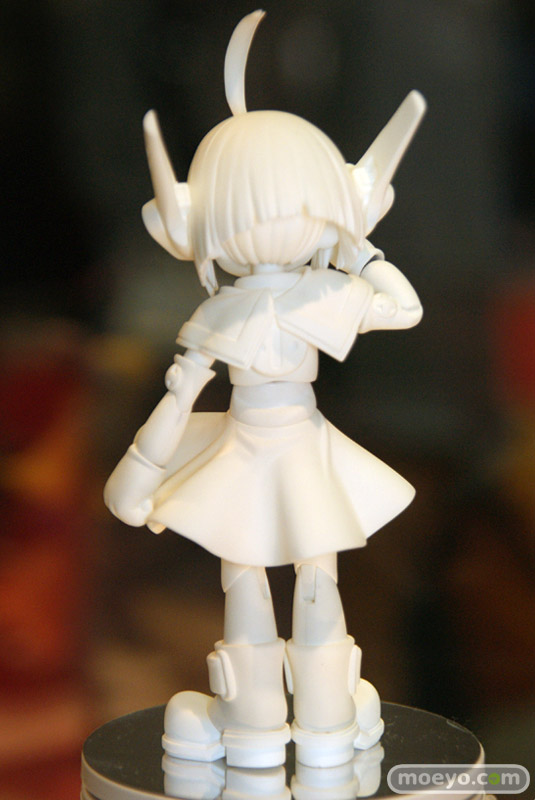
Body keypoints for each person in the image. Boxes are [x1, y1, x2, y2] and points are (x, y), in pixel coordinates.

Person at [104, 10, 425, 769]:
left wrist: (140, 472)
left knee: (253, 568)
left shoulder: (230, 309)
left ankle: (264, 722)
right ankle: (320, 718)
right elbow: (404, 307)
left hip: (257, 443)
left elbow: (180, 394)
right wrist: (362, 252)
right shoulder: (322, 294)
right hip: (283, 440)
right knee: (309, 568)